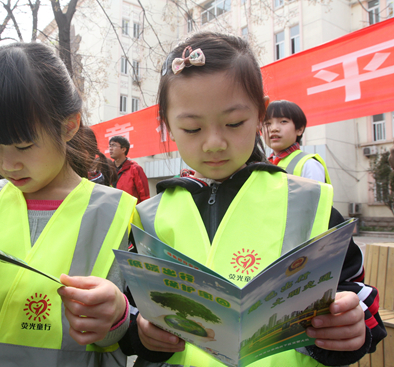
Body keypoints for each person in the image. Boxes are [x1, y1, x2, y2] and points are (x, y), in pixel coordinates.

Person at [119, 32, 385, 367]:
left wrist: (350, 325)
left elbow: (356, 292)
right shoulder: (149, 217)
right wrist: (142, 333)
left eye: (233, 123)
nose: (214, 143)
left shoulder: (307, 203)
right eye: (192, 129)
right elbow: (130, 309)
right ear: (167, 126)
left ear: (260, 113)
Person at [0, 42, 138, 367]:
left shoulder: (116, 213)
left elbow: (114, 339)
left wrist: (114, 315)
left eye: (23, 146)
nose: (8, 165)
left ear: (68, 126)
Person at [264, 100, 331, 183]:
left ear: (299, 129)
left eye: (283, 121)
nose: (273, 128)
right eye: (267, 123)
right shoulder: (261, 166)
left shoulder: (309, 165)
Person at [109, 135, 150, 203]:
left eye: (114, 145)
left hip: (131, 211)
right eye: (110, 146)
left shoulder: (135, 169)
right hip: (113, 210)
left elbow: (145, 196)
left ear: (123, 149)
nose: (110, 148)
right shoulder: (109, 169)